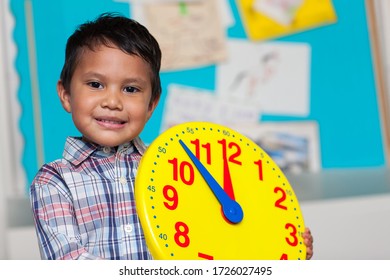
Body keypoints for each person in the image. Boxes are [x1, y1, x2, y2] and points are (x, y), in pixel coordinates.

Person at [29, 12, 313, 260]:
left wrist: (281, 248)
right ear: (66, 95)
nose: (113, 101)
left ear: (151, 104)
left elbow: (215, 239)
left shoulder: (174, 168)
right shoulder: (55, 181)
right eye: (95, 84)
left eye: (131, 89)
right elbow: (69, 261)